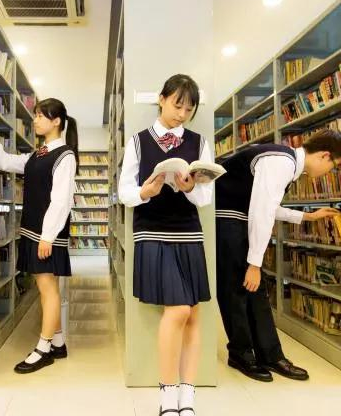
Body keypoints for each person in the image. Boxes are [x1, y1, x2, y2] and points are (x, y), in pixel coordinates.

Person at [118, 74, 212, 416]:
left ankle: (188, 394)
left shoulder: (199, 142)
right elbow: (124, 191)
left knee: (193, 313)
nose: (182, 114)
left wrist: (190, 188)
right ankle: (168, 393)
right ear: (162, 99)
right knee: (180, 310)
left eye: (189, 109)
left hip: (188, 231)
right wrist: (145, 192)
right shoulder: (138, 141)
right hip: (152, 231)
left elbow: (205, 197)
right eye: (177, 105)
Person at [215, 129, 341, 382]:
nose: (331, 172)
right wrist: (254, 264)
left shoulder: (286, 162)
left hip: (238, 220)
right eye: (334, 166)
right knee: (235, 291)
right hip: (228, 220)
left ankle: (270, 355)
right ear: (325, 156)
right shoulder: (281, 162)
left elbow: (267, 205)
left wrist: (307, 216)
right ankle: (240, 354)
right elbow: (261, 213)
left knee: (255, 291)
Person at [0, 97, 78, 374]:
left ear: (56, 121)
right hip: (34, 231)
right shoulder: (38, 155)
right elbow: (3, 161)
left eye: (40, 116)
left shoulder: (65, 156)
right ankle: (58, 343)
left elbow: (61, 200)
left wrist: (47, 236)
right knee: (46, 287)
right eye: (35, 115)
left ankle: (43, 349)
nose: (35, 120)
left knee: (48, 289)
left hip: (46, 234)